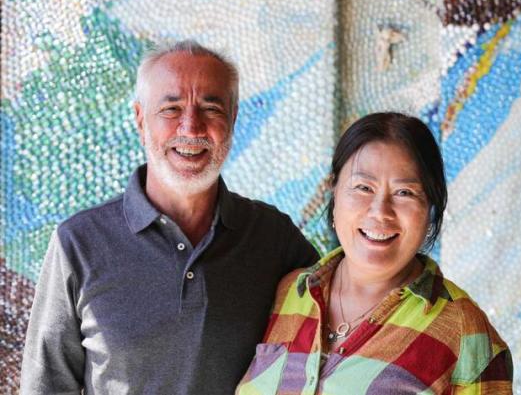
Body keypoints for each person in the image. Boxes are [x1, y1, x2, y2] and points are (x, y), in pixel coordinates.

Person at [20, 40, 318, 395]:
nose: (191, 128)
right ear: (140, 119)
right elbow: (45, 387)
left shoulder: (273, 238)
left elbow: (339, 331)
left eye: (211, 109)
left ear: (233, 119)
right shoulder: (79, 243)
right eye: (171, 109)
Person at [236, 112, 513, 394]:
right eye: (363, 188)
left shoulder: (466, 334)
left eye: (405, 193)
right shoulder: (289, 293)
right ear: (335, 194)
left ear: (430, 209)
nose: (380, 211)